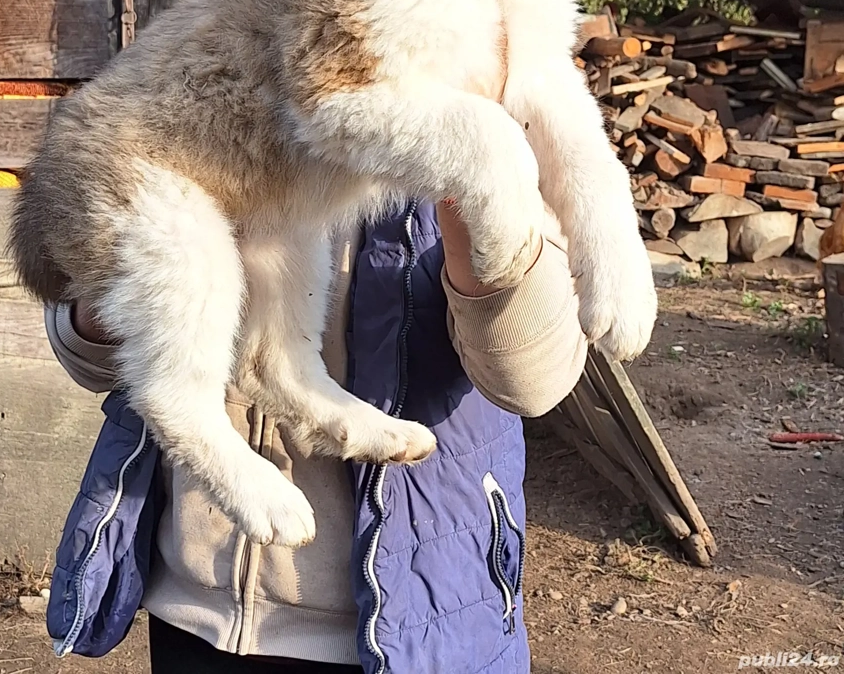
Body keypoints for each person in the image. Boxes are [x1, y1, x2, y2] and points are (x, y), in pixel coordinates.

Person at [45, 179, 587, 674]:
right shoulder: (206, 90)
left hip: (402, 624)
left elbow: (531, 382)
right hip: (191, 612)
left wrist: (474, 189)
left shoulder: (503, 100)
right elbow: (87, 356)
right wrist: (120, 271)